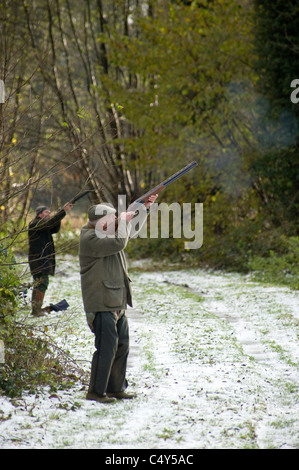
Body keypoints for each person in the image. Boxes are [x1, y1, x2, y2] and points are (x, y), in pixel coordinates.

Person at [79, 195, 157, 404]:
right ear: (100, 222)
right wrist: (122, 221)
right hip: (102, 301)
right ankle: (96, 391)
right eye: (112, 219)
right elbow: (121, 241)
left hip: (117, 299)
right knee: (106, 348)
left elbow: (130, 232)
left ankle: (115, 388)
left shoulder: (107, 233)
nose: (116, 222)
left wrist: (143, 209)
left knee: (121, 346)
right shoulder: (90, 238)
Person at [28, 202, 73, 317]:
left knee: (41, 283)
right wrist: (63, 211)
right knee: (41, 283)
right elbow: (50, 224)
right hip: (38, 260)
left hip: (41, 260)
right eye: (46, 212)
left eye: (49, 212)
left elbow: (54, 227)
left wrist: (59, 215)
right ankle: (36, 311)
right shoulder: (35, 224)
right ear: (39, 215)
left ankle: (36, 310)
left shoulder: (43, 225)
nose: (48, 214)